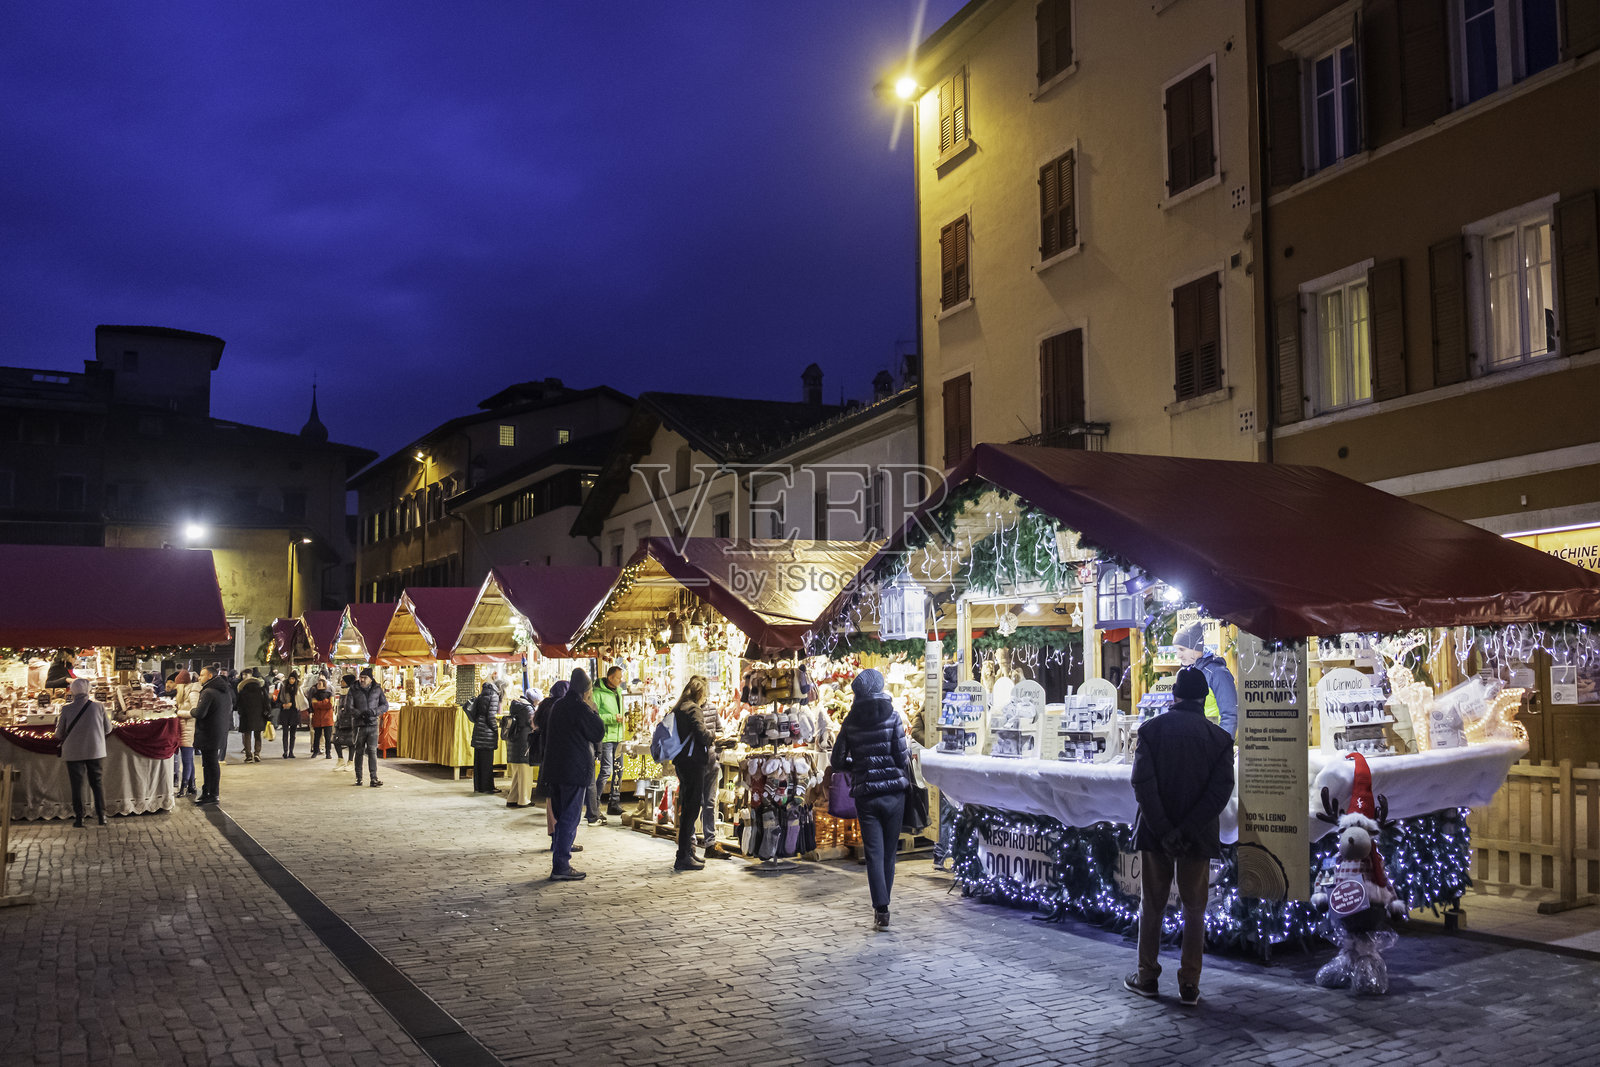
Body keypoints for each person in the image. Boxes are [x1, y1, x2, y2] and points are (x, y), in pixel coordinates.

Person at [1125, 665, 1235, 1007]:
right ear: (1205, 698)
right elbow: (1220, 792)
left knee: (1152, 905)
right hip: (1197, 836)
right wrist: (1186, 830)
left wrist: (1164, 829)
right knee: (1195, 909)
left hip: (1158, 834)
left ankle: (1146, 976)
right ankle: (1189, 983)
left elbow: (1142, 783)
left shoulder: (1151, 731)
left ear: (1174, 696)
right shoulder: (1219, 740)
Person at [831, 667, 912, 930]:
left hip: (866, 795)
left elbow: (837, 760)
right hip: (893, 794)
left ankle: (881, 910)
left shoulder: (851, 722)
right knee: (889, 854)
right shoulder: (893, 717)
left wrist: (860, 763)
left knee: (874, 853)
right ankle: (884, 906)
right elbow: (902, 758)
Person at [539, 669, 604, 881]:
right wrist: (592, 709)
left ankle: (560, 858)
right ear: (586, 690)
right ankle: (561, 864)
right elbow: (597, 732)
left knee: (561, 814)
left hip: (555, 768)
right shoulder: (579, 708)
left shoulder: (558, 705)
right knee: (570, 815)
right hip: (573, 770)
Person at [668, 676, 716, 872]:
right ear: (699, 693)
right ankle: (683, 856)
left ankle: (687, 851)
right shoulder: (693, 708)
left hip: (682, 761)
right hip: (693, 762)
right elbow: (702, 735)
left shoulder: (679, 707)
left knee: (687, 806)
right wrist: (713, 736)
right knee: (691, 809)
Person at [55, 677, 114, 827]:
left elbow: (59, 734)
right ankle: (102, 816)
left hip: (73, 752)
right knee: (97, 783)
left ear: (73, 691)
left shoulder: (66, 709)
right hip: (95, 750)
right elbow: (108, 729)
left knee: (77, 785)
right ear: (88, 690)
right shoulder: (99, 707)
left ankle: (79, 818)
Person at [1172, 622, 1239, 738]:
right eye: (1176, 650)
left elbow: (1230, 715)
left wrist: (1221, 746)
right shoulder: (1183, 673)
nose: (1178, 655)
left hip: (1211, 743)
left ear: (1195, 647)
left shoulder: (1217, 673)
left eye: (1182, 649)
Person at [190, 663, 233, 805]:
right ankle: (208, 792)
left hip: (208, 732)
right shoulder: (224, 690)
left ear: (210, 675)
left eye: (201, 675)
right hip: (218, 731)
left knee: (210, 764)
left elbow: (200, 713)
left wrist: (191, 711)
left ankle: (211, 794)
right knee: (210, 763)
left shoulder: (208, 692)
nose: (199, 678)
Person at [532, 680, 567, 839]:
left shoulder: (545, 705)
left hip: (545, 753)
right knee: (562, 798)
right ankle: (561, 836)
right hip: (560, 755)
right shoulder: (561, 706)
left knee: (551, 797)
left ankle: (553, 830)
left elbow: (535, 724)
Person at [592, 665, 627, 817]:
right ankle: (595, 804)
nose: (621, 680)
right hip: (606, 737)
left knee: (619, 770)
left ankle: (614, 802)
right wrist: (613, 718)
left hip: (619, 736)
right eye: (618, 677)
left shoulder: (619, 691)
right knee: (606, 770)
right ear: (611, 677)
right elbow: (594, 715)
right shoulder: (597, 693)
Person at [348, 667, 387, 787]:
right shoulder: (353, 689)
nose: (362, 680)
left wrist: (374, 712)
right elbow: (348, 706)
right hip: (359, 725)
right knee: (359, 751)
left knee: (372, 751)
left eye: (365, 678)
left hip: (372, 724)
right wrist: (358, 714)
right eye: (361, 677)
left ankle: (373, 778)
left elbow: (385, 705)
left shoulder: (377, 689)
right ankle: (358, 778)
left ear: (370, 679)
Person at [466, 676, 503, 795]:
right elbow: (491, 717)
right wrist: (495, 729)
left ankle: (479, 786)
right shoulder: (494, 696)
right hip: (486, 733)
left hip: (478, 730)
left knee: (479, 762)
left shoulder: (483, 693)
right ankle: (488, 787)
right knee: (487, 762)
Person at [501, 686, 536, 808]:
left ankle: (513, 798)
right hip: (524, 744)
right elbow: (534, 724)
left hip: (515, 743)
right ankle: (524, 800)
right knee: (526, 774)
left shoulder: (516, 706)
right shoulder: (528, 709)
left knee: (517, 775)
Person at [166, 671, 198, 796]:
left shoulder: (192, 693)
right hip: (183, 729)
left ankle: (183, 787)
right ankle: (191, 786)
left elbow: (195, 712)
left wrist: (178, 713)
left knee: (186, 759)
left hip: (189, 729)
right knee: (188, 759)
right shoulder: (184, 694)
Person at [235, 668, 271, 763]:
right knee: (257, 735)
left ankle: (248, 755)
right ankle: (257, 753)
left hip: (246, 716)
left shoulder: (242, 692)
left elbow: (238, 705)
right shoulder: (261, 691)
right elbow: (267, 703)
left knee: (247, 735)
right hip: (259, 716)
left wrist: (241, 712)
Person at [306, 672, 336, 759]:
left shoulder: (330, 693)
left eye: (320, 684)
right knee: (316, 737)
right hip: (318, 719)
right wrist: (324, 703)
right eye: (318, 683)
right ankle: (315, 751)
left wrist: (320, 704)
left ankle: (328, 753)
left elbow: (330, 705)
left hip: (327, 719)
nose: (318, 685)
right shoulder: (314, 694)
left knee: (327, 738)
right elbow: (314, 705)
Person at [331, 673, 357, 771]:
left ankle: (350, 761)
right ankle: (340, 760)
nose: (341, 682)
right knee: (336, 740)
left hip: (350, 721)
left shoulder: (353, 693)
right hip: (340, 721)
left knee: (351, 742)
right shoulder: (342, 692)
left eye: (343, 680)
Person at [276, 669, 304, 758]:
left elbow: (301, 700)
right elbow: (278, 701)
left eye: (293, 679)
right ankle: (285, 751)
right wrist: (283, 705)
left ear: (296, 680)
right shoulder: (284, 688)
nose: (291, 680)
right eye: (290, 678)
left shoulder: (298, 689)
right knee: (285, 733)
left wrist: (294, 704)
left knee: (293, 734)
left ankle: (291, 751)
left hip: (294, 713)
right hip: (285, 712)